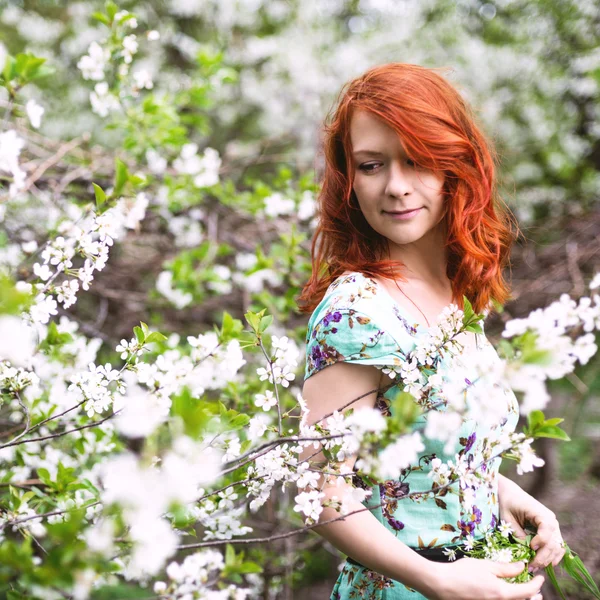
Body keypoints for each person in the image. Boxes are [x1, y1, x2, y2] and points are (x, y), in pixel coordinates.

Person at [296, 63, 565, 600]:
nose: (396, 186)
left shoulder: (455, 298)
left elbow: (424, 462)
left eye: (418, 161)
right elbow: (321, 492)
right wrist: (437, 580)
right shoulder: (356, 311)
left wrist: (505, 491)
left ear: (455, 165)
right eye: (372, 165)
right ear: (350, 180)